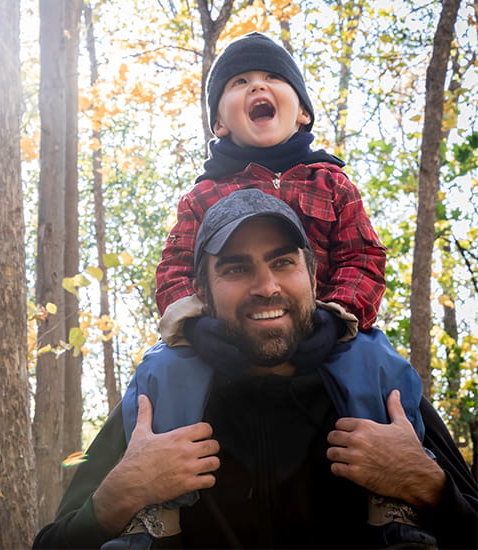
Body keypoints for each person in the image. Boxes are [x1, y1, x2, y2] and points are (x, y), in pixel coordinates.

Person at [33, 191, 477, 549]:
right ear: (203, 291)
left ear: (313, 275)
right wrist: (118, 496)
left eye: (283, 263)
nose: (266, 287)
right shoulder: (160, 402)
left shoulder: (381, 391)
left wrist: (432, 489)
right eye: (236, 268)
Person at [121, 31, 426, 541]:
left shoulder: (333, 183)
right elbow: (173, 268)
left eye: (272, 79)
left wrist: (337, 316)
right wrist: (195, 326)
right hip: (228, 331)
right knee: (161, 367)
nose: (256, 86)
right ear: (220, 121)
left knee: (380, 363)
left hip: (328, 326)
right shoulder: (203, 194)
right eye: (239, 82)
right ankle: (157, 509)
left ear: (301, 111)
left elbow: (363, 256)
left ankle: (393, 501)